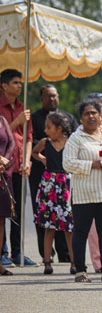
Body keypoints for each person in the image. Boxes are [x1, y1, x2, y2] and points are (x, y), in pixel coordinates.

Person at [63, 99, 102, 283]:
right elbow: (67, 163)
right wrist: (92, 165)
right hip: (84, 194)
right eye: (87, 114)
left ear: (100, 115)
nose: (91, 117)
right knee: (81, 232)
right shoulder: (76, 138)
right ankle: (80, 271)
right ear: (81, 118)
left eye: (94, 113)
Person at [30, 84, 77, 264]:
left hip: (66, 183)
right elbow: (34, 150)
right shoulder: (43, 137)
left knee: (68, 225)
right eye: (48, 96)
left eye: (49, 127)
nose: (45, 130)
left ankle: (72, 260)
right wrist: (42, 159)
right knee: (48, 225)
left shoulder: (70, 137)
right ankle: (47, 259)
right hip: (48, 183)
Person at [0, 68, 36, 267]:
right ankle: (2, 251)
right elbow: (3, 133)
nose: (19, 86)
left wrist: (27, 161)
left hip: (20, 165)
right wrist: (17, 121)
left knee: (19, 212)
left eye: (20, 82)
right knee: (3, 211)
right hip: (3, 166)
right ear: (4, 86)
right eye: (15, 82)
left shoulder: (23, 107)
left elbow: (29, 138)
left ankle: (18, 252)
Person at [0, 115, 15, 276]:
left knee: (1, 220)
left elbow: (11, 143)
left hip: (3, 174)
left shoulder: (2, 120)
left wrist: (4, 160)